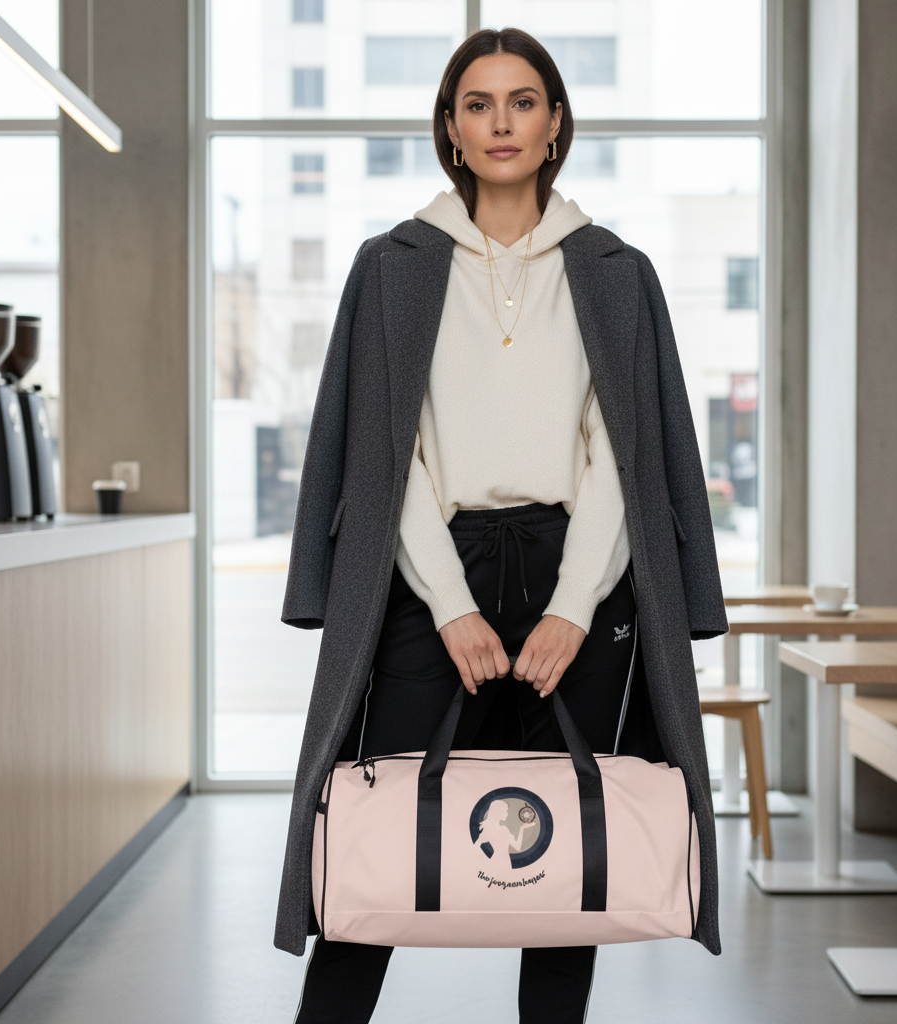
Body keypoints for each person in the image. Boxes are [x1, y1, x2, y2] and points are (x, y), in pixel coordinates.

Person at [277, 26, 728, 1024]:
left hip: (581, 573)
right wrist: (444, 604)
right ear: (449, 126)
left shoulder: (613, 269)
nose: (500, 123)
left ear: (556, 120)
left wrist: (572, 607)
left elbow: (623, 456)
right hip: (434, 569)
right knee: (378, 840)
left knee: (567, 861)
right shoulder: (391, 265)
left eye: (522, 101)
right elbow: (388, 458)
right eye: (477, 104)